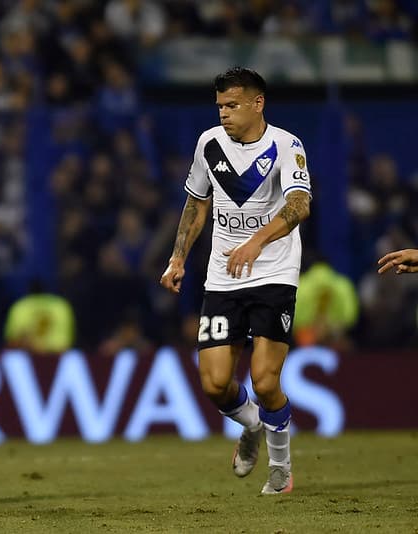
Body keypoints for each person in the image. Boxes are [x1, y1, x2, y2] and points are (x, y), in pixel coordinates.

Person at [159, 68, 311, 495]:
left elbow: (300, 205)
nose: (224, 114)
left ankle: (280, 470)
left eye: (233, 105)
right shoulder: (209, 143)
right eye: (221, 106)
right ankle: (251, 427)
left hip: (274, 272)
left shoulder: (286, 145)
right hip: (223, 277)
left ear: (257, 103)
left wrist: (255, 243)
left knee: (265, 381)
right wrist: (178, 258)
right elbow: (196, 204)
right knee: (214, 383)